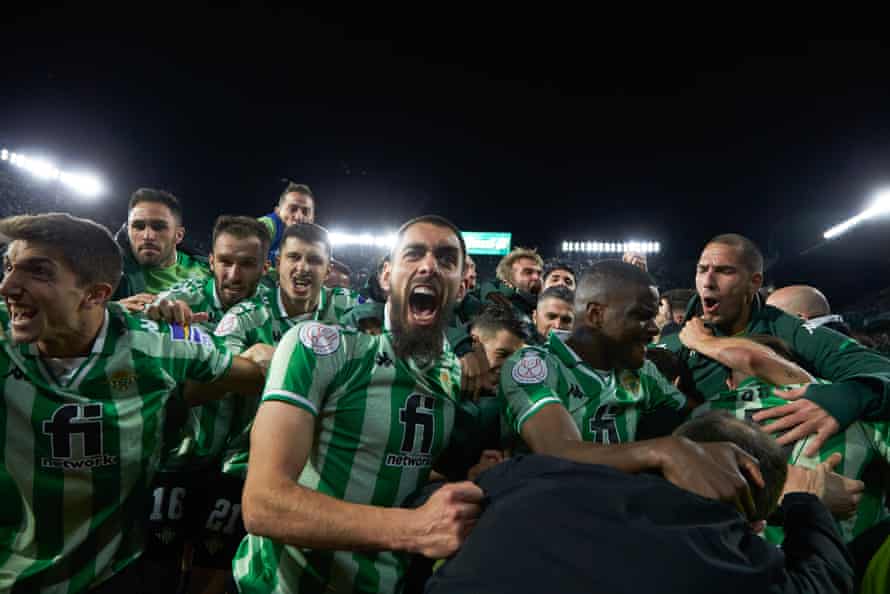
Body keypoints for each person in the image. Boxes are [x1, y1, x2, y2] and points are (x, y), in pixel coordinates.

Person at [0, 213, 270, 593]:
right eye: (9, 267)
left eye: (38, 272)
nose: (8, 285)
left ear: (95, 294)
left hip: (112, 574)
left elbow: (254, 370)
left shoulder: (155, 344)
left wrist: (271, 356)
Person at [232, 215, 483, 594]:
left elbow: (386, 459)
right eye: (413, 254)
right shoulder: (320, 348)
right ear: (386, 276)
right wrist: (414, 530)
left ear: (462, 285)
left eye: (447, 259)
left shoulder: (454, 371)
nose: (429, 266)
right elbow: (264, 504)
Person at [425, 413, 855, 594]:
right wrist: (805, 500)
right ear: (754, 524)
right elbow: (824, 582)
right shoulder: (736, 564)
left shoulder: (525, 476)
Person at [499, 260, 761, 514]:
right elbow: (558, 449)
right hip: (548, 515)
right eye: (641, 316)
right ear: (595, 315)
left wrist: (784, 398)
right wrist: (665, 450)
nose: (652, 328)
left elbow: (697, 415)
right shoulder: (534, 364)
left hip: (622, 516)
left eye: (654, 315)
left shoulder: (641, 371)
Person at [657, 233, 890, 454]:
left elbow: (882, 371)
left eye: (724, 271)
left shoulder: (787, 329)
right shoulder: (672, 343)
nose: (708, 282)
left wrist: (843, 399)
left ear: (754, 282)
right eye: (702, 270)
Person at [139, 215, 272, 592]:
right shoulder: (178, 301)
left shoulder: (273, 313)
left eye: (247, 264)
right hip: (175, 453)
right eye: (225, 261)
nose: (233, 273)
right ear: (210, 260)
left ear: (264, 267)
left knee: (213, 567)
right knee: (158, 562)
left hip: (236, 461)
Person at [113, 188, 211, 309]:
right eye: (138, 227)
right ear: (128, 231)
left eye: (159, 227)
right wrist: (111, 311)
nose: (147, 236)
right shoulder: (110, 272)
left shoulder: (210, 270)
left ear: (179, 235)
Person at [257, 181, 315, 262]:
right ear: (278, 210)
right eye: (293, 209)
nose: (299, 217)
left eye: (305, 212)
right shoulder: (266, 225)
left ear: (312, 218)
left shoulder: (314, 242)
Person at [767, 284, 852, 336]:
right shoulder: (841, 341)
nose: (769, 324)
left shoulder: (807, 351)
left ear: (799, 318)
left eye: (774, 316)